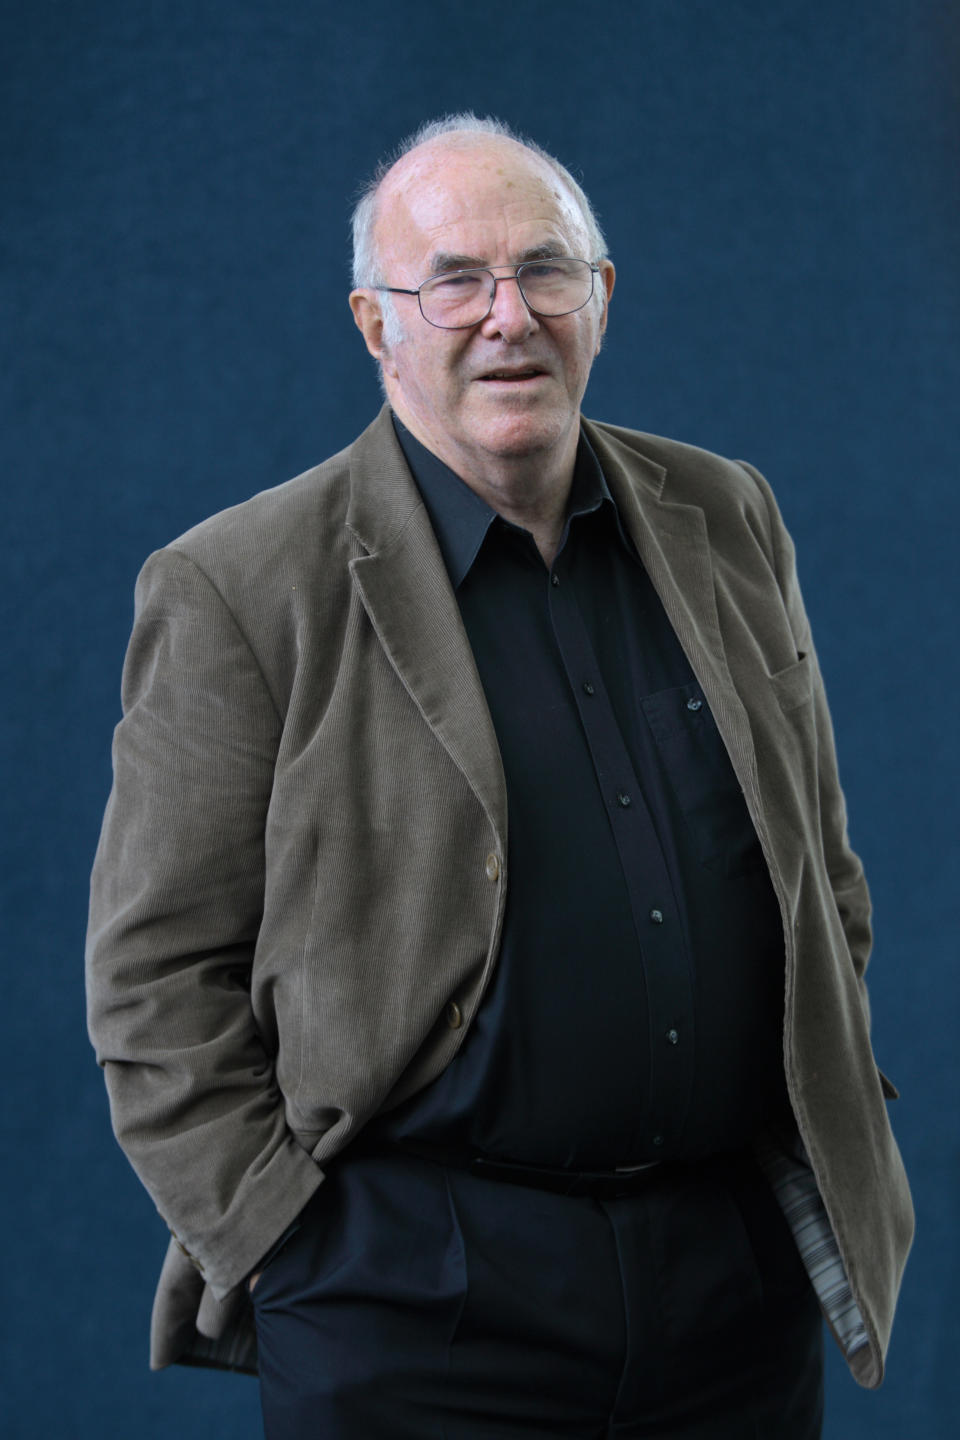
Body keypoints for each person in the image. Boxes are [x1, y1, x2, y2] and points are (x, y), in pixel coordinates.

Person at [86, 114, 913, 1439]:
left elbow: (822, 859)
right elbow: (152, 986)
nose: (507, 317)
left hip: (730, 1288)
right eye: (454, 280)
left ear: (603, 299)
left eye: (547, 273)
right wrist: (299, 1248)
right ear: (375, 323)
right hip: (416, 1305)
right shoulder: (240, 590)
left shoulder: (728, 513)